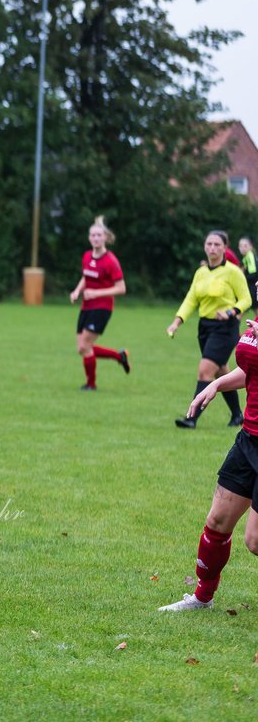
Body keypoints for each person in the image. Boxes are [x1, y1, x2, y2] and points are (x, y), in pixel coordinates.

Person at [159, 320, 258, 611]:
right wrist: (215, 384)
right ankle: (202, 598)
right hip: (249, 440)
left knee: (254, 540)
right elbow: (249, 371)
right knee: (217, 522)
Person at [167, 230, 252, 428]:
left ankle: (191, 418)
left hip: (225, 328)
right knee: (221, 372)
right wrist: (177, 321)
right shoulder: (201, 272)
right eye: (209, 244)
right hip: (204, 327)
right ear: (204, 246)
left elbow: (246, 299)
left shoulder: (233, 272)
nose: (212, 248)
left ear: (225, 248)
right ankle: (237, 415)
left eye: (217, 244)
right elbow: (191, 299)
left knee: (205, 370)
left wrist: (231, 312)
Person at [68, 216, 130, 390]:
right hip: (86, 307)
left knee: (84, 346)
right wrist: (76, 291)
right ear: (89, 238)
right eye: (93, 235)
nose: (95, 238)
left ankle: (91, 384)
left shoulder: (111, 261)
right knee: (82, 347)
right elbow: (86, 277)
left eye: (99, 235)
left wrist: (96, 293)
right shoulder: (87, 256)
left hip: (102, 308)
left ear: (105, 238)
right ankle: (119, 356)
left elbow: (121, 288)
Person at [240, 237, 258, 311]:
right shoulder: (246, 257)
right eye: (241, 246)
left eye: (245, 246)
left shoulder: (250, 255)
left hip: (253, 286)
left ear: (250, 246)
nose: (243, 248)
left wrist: (242, 279)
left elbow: (253, 273)